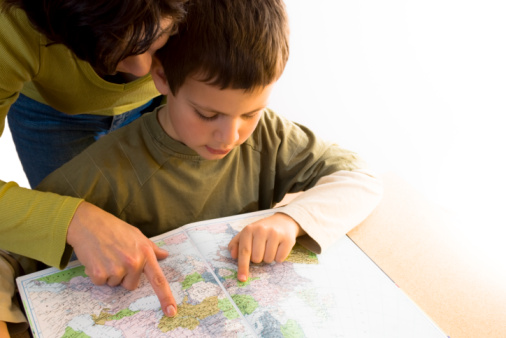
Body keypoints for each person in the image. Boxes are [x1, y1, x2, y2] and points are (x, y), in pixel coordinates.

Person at [34, 0, 383, 325]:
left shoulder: (270, 136)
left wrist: (290, 220)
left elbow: (359, 178)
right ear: (161, 78)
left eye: (251, 113)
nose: (229, 137)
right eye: (207, 114)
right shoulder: (104, 170)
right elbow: (11, 253)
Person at [0, 0, 188, 335]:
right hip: (50, 111)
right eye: (112, 48)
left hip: (163, 101)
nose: (141, 69)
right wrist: (72, 220)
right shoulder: (7, 24)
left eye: (162, 34)